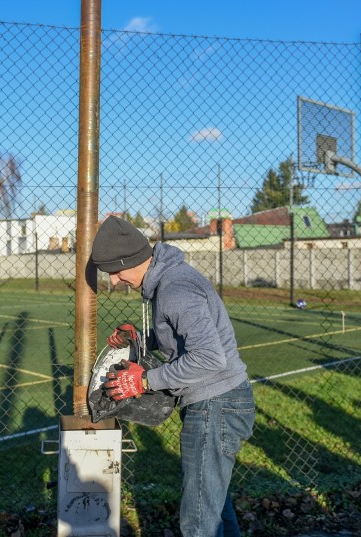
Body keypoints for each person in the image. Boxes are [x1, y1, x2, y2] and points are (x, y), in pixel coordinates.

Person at [92, 215, 254, 537]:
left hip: (215, 405)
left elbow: (209, 357)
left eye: (113, 271)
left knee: (198, 521)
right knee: (214, 507)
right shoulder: (169, 282)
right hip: (218, 402)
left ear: (128, 260)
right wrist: (140, 339)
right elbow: (180, 341)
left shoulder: (175, 288)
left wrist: (143, 381)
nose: (113, 282)